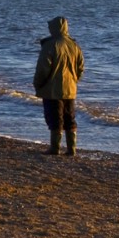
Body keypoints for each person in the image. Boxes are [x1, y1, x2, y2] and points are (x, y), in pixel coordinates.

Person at [33, 16, 85, 156]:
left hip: (52, 90)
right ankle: (71, 149)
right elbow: (80, 68)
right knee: (69, 118)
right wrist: (74, 81)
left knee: (55, 118)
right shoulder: (74, 46)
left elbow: (43, 69)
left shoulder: (50, 45)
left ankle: (55, 149)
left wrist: (37, 84)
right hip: (70, 90)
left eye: (50, 27)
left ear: (55, 28)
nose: (49, 29)